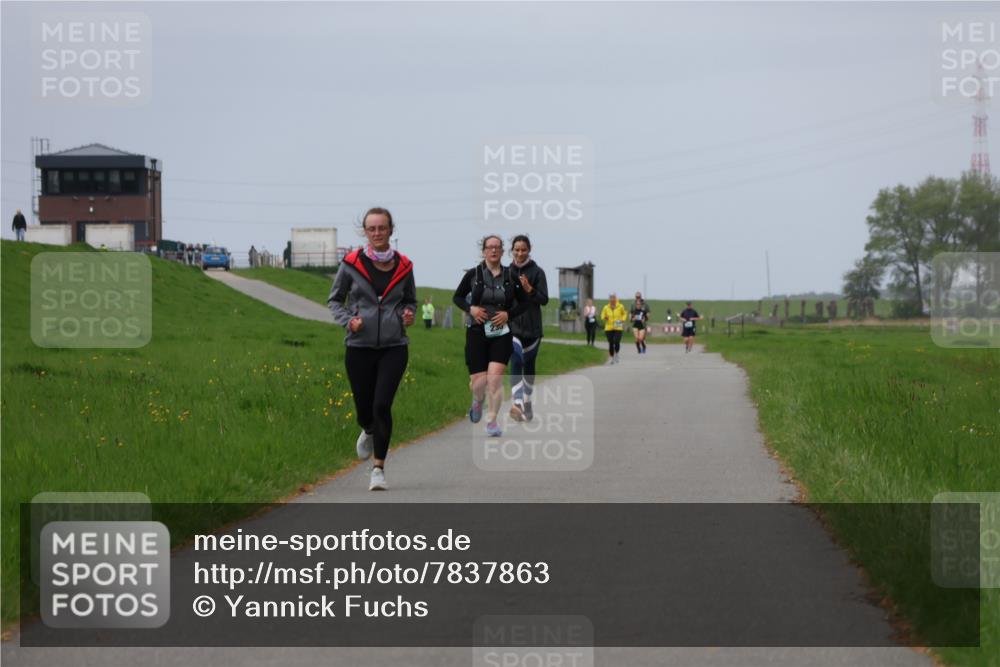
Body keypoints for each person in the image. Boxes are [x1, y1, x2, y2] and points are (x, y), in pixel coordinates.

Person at [328, 207, 416, 491]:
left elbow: (410, 301)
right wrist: (348, 321)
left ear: (391, 230)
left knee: (382, 405)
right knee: (364, 409)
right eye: (372, 229)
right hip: (359, 346)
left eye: (382, 228)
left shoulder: (404, 266)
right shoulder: (351, 263)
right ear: (365, 232)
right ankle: (367, 429)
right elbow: (334, 300)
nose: (377, 233)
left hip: (394, 346)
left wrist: (408, 314)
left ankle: (378, 469)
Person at [453, 235, 528, 437]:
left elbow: (525, 302)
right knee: (478, 381)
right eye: (490, 247)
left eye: (497, 248)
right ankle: (477, 401)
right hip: (477, 332)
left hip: (501, 333)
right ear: (484, 251)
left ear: (503, 252)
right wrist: (471, 309)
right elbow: (457, 297)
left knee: (494, 379)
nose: (494, 251)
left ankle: (492, 420)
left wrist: (508, 314)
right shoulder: (473, 274)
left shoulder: (511, 276)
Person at [508, 234, 549, 422]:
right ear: (512, 250)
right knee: (516, 360)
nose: (520, 253)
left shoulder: (538, 272)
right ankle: (517, 403)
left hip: (532, 328)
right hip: (512, 326)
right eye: (516, 249)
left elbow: (544, 299)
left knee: (529, 366)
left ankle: (527, 400)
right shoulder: (506, 271)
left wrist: (530, 289)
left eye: (523, 249)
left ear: (529, 249)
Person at [600, 293, 628, 364]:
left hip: (618, 326)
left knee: (616, 341)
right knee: (611, 343)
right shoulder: (606, 307)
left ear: (616, 299)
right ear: (609, 299)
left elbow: (624, 313)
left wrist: (623, 319)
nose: (612, 299)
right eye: (611, 298)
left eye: (613, 298)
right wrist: (604, 317)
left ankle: (616, 354)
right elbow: (602, 315)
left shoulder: (620, 306)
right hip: (608, 327)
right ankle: (612, 357)